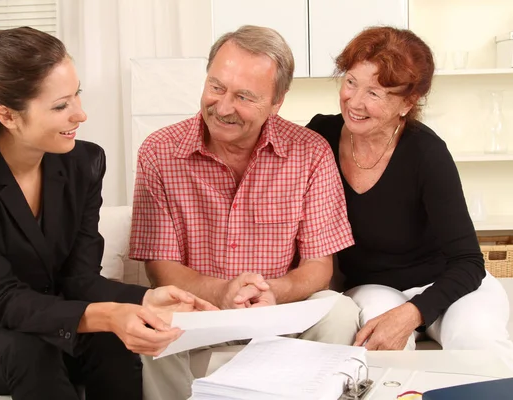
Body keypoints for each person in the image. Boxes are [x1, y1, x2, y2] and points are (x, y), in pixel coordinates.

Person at [0, 27, 216, 400]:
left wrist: (143, 300)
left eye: (77, 94)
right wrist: (108, 315)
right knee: (34, 351)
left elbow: (79, 280)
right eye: (61, 105)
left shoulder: (85, 163)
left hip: (56, 327)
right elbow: (1, 299)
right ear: (7, 116)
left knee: (113, 341)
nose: (81, 113)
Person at [129, 25, 360, 400]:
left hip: (281, 317)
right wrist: (222, 293)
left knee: (340, 310)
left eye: (244, 96)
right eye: (216, 87)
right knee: (154, 321)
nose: (222, 108)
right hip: (198, 316)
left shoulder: (311, 153)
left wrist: (273, 292)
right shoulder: (159, 151)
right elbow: (160, 267)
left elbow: (320, 266)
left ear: (277, 100)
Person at [306, 26, 512, 357]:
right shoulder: (320, 136)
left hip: (451, 285)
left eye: (374, 93)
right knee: (381, 350)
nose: (354, 101)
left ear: (407, 102)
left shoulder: (426, 152)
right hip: (375, 287)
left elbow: (469, 262)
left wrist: (414, 312)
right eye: (350, 82)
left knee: (479, 346)